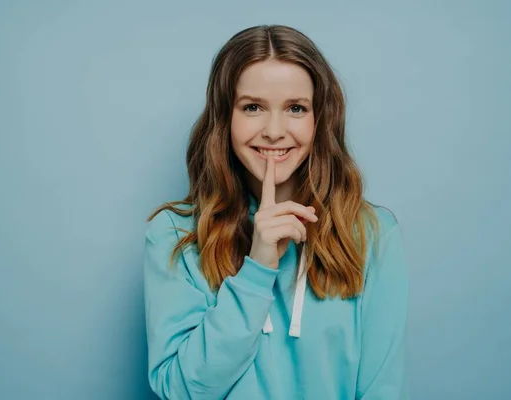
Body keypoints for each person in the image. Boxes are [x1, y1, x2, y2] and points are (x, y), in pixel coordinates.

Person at [143, 24, 409, 399]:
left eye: (296, 108)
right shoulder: (173, 234)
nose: (273, 130)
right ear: (224, 118)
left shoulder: (373, 234)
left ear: (320, 120)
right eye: (252, 107)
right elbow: (182, 390)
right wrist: (258, 267)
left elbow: (383, 389)